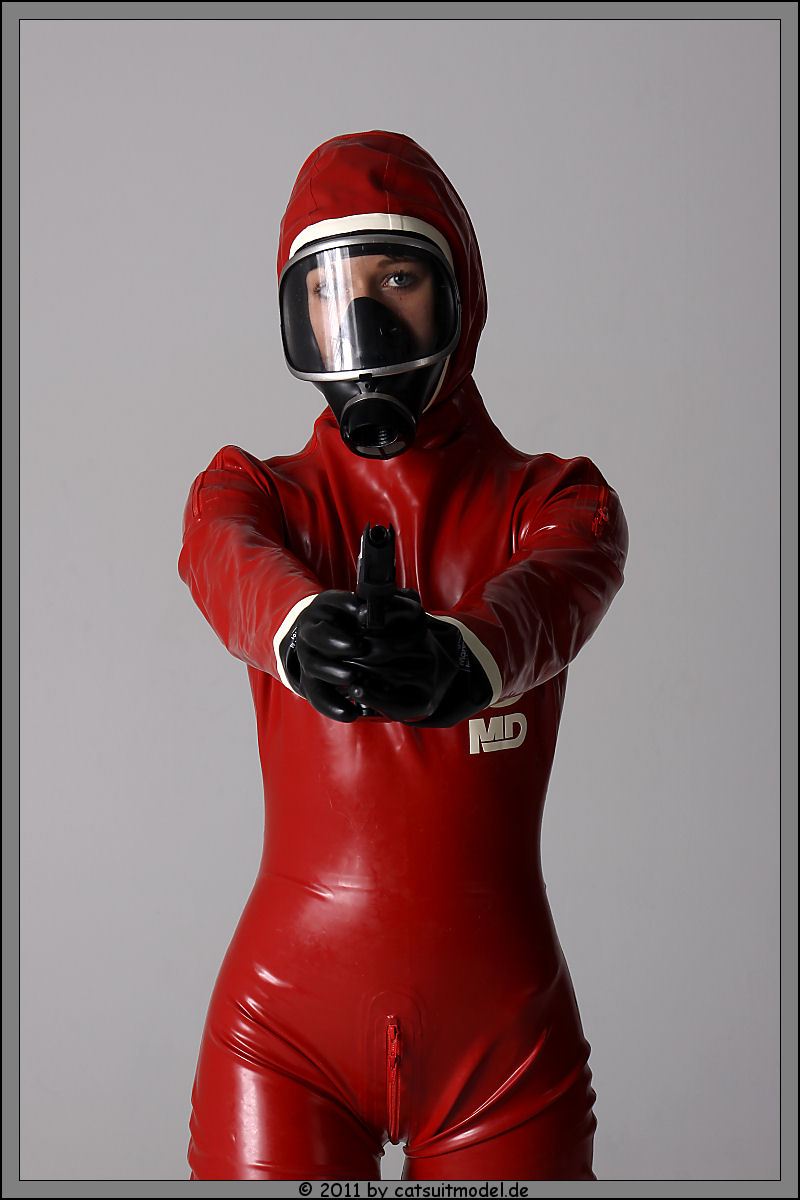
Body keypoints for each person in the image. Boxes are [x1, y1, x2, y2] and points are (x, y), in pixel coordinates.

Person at [178, 129, 629, 1181]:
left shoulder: (558, 502)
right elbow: (221, 555)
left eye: (396, 280)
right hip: (280, 1034)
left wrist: (465, 655)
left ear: (458, 294)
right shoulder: (257, 494)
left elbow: (555, 589)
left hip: (501, 1046)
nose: (365, 321)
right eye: (331, 290)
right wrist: (300, 626)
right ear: (295, 317)